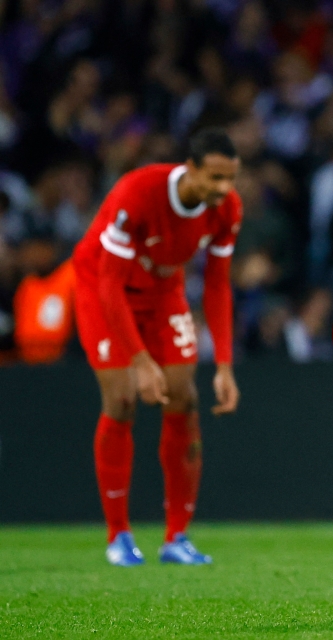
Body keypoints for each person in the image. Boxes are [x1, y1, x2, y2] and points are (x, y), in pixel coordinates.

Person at [72, 128, 243, 566]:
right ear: (191, 169)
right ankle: (118, 536)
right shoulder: (139, 192)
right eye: (216, 178)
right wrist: (140, 359)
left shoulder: (226, 210)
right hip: (104, 289)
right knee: (123, 397)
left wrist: (224, 363)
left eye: (231, 179)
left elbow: (219, 285)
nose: (223, 190)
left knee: (184, 398)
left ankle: (176, 538)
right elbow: (109, 280)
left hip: (164, 290)